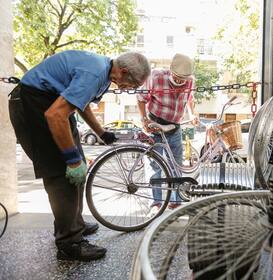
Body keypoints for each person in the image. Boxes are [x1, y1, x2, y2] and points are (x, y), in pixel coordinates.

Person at [8, 50, 151, 261]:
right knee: (62, 173)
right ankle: (69, 245)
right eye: (134, 85)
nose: (132, 89)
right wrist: (71, 160)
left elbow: (79, 102)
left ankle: (74, 225)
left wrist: (101, 132)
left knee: (79, 166)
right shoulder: (94, 73)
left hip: (51, 102)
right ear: (123, 71)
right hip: (33, 104)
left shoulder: (103, 73)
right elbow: (55, 115)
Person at [137, 53, 197, 211]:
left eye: (182, 78)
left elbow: (190, 98)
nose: (179, 81)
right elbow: (141, 98)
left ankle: (176, 202)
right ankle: (155, 203)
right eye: (176, 77)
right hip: (155, 124)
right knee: (154, 166)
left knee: (176, 166)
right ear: (171, 70)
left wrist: (192, 114)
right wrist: (144, 120)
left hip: (175, 127)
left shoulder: (190, 81)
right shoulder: (156, 77)